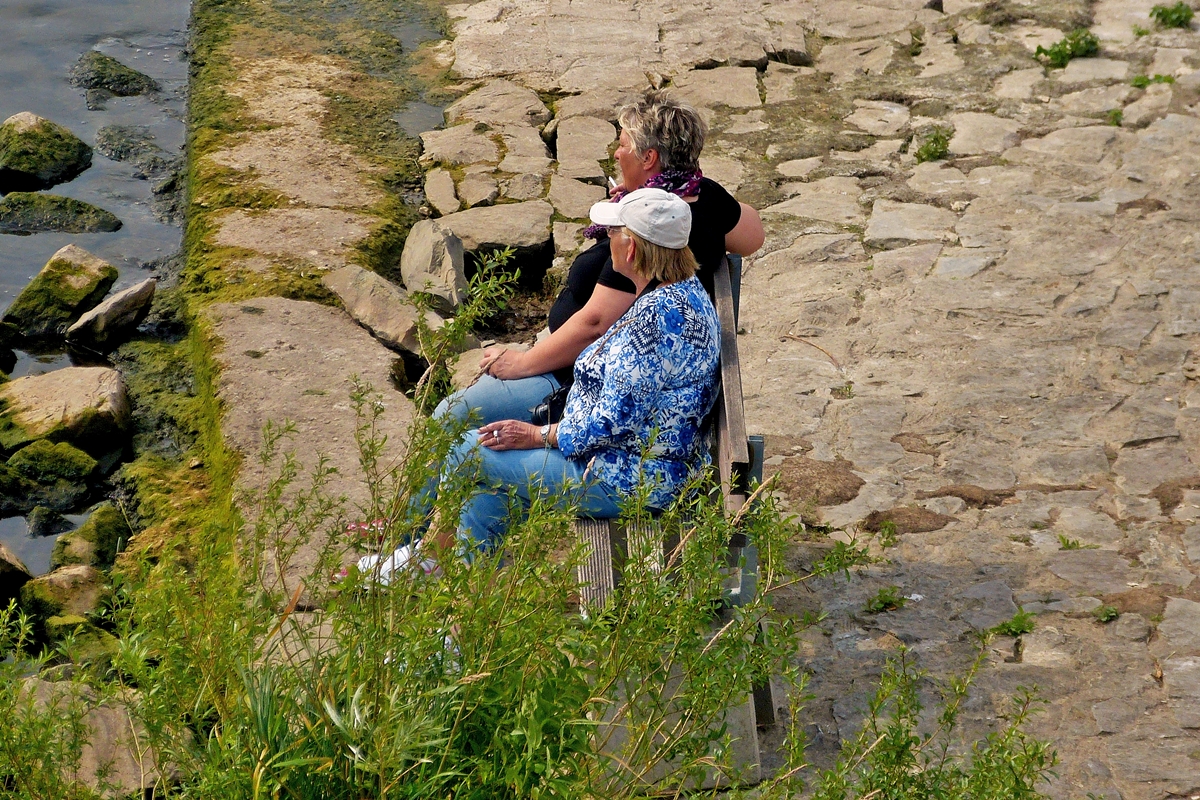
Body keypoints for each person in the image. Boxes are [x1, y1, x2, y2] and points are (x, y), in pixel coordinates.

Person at [364, 189, 721, 578]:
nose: (608, 237)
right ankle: (458, 610)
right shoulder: (684, 295)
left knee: (467, 451)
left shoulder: (656, 322)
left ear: (630, 248)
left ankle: (432, 561)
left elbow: (608, 424)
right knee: (487, 496)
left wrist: (537, 435)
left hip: (627, 475)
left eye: (613, 231)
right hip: (641, 460)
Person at [433, 90, 762, 426]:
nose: (617, 154)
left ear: (648, 157)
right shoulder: (703, 196)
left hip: (576, 376)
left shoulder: (647, 237)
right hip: (601, 362)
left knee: (450, 416)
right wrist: (666, 190)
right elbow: (753, 236)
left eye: (622, 145)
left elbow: (595, 325)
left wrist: (523, 362)